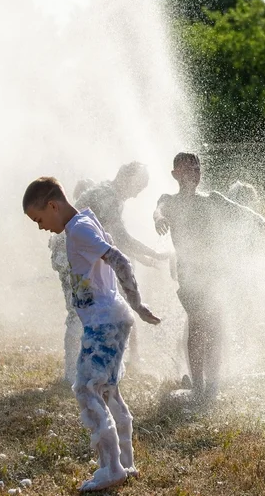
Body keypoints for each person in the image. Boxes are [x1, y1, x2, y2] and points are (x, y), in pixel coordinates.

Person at [22, 177, 161, 492]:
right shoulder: (84, 219)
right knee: (109, 390)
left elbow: (118, 259)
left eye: (40, 219)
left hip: (104, 322)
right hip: (108, 319)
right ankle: (125, 461)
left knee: (86, 389)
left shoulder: (80, 229)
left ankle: (111, 468)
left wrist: (137, 304)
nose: (41, 227)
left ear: (53, 205)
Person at [153, 153, 265, 401]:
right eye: (186, 169)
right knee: (196, 325)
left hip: (215, 273)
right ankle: (198, 385)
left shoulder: (211, 199)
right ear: (175, 174)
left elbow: (238, 209)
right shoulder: (168, 200)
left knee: (215, 326)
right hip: (190, 274)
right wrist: (160, 219)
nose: (193, 173)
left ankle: (212, 384)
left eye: (196, 168)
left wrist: (258, 219)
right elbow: (158, 211)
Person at [76, 162, 169, 368]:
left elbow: (115, 239)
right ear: (127, 179)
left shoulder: (111, 193)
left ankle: (127, 356)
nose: (136, 195)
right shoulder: (108, 197)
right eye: (137, 188)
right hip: (78, 255)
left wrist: (147, 260)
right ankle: (89, 364)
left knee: (121, 302)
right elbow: (122, 238)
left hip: (88, 253)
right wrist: (154, 253)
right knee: (103, 307)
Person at [49, 178, 96, 384]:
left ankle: (76, 369)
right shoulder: (77, 217)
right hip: (73, 266)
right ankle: (72, 373)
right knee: (78, 315)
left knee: (78, 314)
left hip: (68, 265)